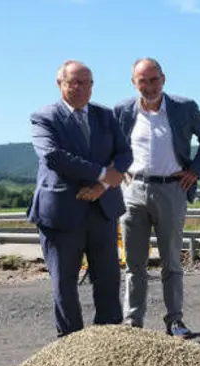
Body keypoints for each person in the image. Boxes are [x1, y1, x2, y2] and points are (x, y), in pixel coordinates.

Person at [114, 58, 200, 338]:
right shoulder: (122, 111)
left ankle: (175, 320)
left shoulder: (184, 108)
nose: (149, 86)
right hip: (133, 191)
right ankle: (133, 323)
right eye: (142, 80)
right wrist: (117, 168)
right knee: (134, 264)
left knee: (171, 260)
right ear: (134, 82)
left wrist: (195, 171)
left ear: (164, 79)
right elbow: (110, 143)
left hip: (172, 189)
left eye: (154, 79)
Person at [27, 60, 131, 337]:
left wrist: (103, 186)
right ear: (59, 83)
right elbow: (53, 157)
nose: (80, 88)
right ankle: (70, 345)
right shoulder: (44, 117)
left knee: (108, 278)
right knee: (65, 283)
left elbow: (124, 154)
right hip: (61, 212)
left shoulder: (105, 115)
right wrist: (102, 173)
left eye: (86, 82)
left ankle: (109, 338)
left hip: (102, 209)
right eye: (73, 82)